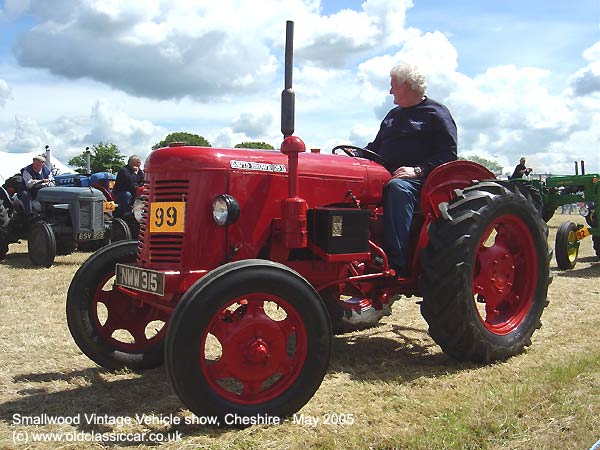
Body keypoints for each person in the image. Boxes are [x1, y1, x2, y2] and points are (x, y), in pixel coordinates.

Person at [364, 63, 457, 275]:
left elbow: (448, 155)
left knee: (398, 188)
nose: (390, 91)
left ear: (407, 85)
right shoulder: (393, 115)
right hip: (388, 176)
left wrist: (418, 170)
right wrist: (352, 157)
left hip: (422, 184)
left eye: (393, 86)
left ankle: (394, 261)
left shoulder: (436, 114)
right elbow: (376, 147)